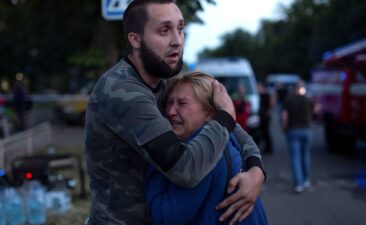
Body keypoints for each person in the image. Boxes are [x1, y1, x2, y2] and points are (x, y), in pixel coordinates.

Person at [84, 1, 266, 224]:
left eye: (180, 29)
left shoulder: (166, 82)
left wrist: (256, 172)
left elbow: (233, 129)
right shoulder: (123, 91)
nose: (177, 41)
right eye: (164, 30)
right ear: (135, 39)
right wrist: (225, 116)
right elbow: (185, 170)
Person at [145, 72, 268, 225]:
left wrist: (155, 158)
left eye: (182, 103)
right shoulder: (227, 138)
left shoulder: (204, 153)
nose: (170, 111)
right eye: (169, 102)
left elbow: (163, 215)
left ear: (209, 114)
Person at [281, 81, 315, 193]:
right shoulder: (307, 98)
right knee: (305, 156)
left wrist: (284, 127)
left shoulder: (289, 99)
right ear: (302, 88)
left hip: (293, 130)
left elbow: (284, 115)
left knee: (295, 158)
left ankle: (298, 184)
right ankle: (306, 180)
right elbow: (315, 110)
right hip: (306, 130)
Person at [257, 82, 275, 154]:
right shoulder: (258, 95)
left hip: (265, 116)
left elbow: (271, 104)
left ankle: (269, 148)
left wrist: (269, 111)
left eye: (259, 86)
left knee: (266, 132)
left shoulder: (266, 95)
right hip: (261, 115)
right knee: (263, 132)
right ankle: (266, 147)